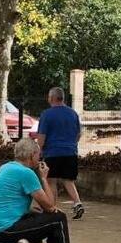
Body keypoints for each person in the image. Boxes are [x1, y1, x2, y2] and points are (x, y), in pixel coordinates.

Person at [0, 138, 71, 243]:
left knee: (36, 217)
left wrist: (28, 209)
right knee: (58, 218)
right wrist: (43, 178)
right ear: (32, 155)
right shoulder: (26, 173)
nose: (39, 159)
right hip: (2, 231)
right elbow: (50, 207)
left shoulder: (7, 167)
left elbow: (8, 200)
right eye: (38, 155)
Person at [36, 87, 85, 219]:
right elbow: (79, 133)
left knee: (51, 181)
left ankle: (52, 207)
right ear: (62, 98)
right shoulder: (73, 113)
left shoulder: (47, 114)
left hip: (53, 152)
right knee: (68, 180)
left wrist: (38, 151)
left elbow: (41, 137)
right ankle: (77, 202)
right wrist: (72, 144)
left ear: (51, 98)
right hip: (70, 152)